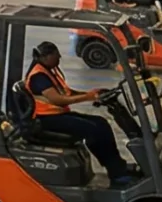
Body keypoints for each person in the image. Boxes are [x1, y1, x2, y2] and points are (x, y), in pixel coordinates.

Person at [22, 42, 135, 184]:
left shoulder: (48, 71)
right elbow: (58, 100)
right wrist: (88, 97)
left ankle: (118, 166)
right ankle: (116, 173)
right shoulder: (39, 76)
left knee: (101, 123)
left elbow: (67, 92)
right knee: (93, 130)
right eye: (56, 56)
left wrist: (92, 93)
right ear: (46, 57)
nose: (59, 58)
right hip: (46, 119)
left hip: (57, 115)